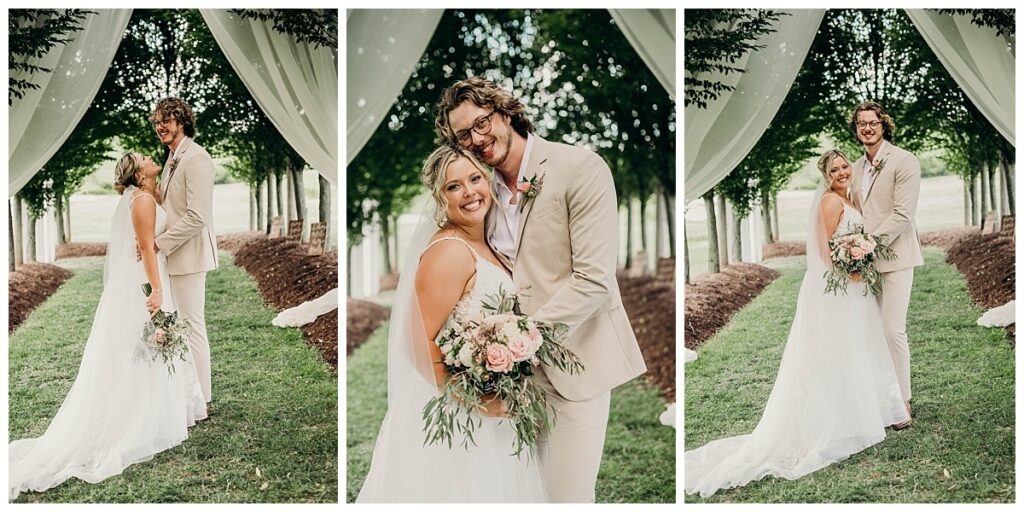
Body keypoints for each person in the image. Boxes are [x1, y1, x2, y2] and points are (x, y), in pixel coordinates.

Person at [434, 76, 647, 503]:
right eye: (462, 136)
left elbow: (594, 280)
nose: (476, 139)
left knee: (567, 498)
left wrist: (515, 338)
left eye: (481, 123)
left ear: (507, 113)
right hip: (510, 383)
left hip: (577, 367)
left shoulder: (580, 167)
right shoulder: (481, 190)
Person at [684, 149, 910, 498]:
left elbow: (852, 241)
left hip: (855, 286)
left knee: (855, 348)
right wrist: (850, 268)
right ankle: (830, 422)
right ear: (825, 174)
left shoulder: (849, 198)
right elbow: (824, 252)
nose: (841, 172)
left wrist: (861, 257)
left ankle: (858, 413)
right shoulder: (829, 203)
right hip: (836, 288)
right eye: (834, 169)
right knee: (831, 350)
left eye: (844, 166)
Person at [9, 153, 207, 500]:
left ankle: (160, 409)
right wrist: (157, 290)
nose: (150, 156)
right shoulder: (142, 200)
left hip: (149, 274)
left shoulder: (148, 194)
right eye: (145, 158)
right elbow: (146, 246)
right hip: (145, 281)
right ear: (138, 172)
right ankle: (140, 417)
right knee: (146, 345)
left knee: (152, 347)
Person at [357, 145, 546, 503]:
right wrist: (476, 401)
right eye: (453, 186)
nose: (470, 192)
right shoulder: (449, 251)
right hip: (464, 418)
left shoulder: (486, 244)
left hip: (496, 403)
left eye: (475, 178)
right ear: (439, 197)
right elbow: (417, 342)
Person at [849, 101, 924, 429]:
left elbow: (903, 215)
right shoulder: (852, 168)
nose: (867, 128)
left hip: (895, 258)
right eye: (861, 123)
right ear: (856, 129)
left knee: (893, 330)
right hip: (862, 263)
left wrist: (869, 244)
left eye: (873, 123)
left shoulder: (905, 161)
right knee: (871, 333)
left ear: (884, 126)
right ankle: (881, 399)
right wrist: (849, 245)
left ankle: (903, 401)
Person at [150, 97, 218, 413]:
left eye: (166, 120)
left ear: (182, 121)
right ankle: (186, 394)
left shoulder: (196, 159)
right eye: (156, 122)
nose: (160, 126)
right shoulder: (173, 158)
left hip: (188, 255)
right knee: (180, 326)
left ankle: (202, 400)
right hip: (175, 256)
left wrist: (159, 244)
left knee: (192, 327)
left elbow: (197, 216)